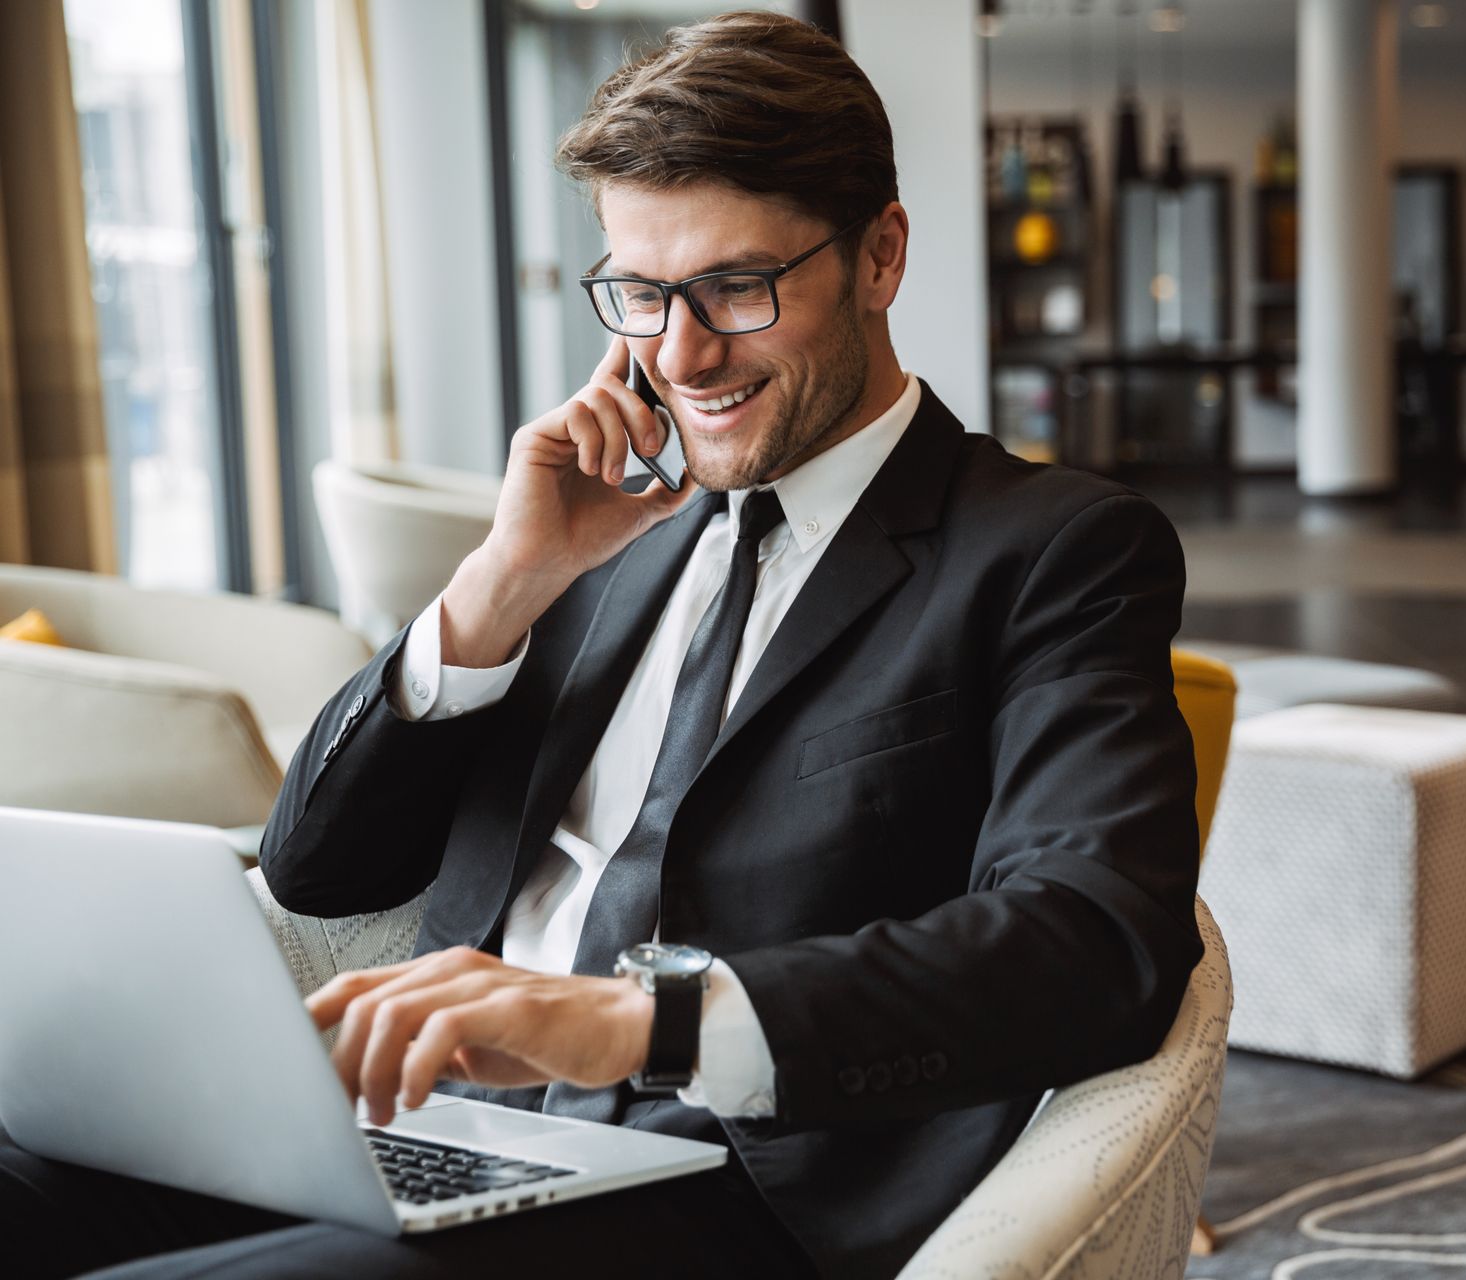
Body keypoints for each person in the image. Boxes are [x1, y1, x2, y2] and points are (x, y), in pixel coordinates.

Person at [0, 11, 1201, 1278]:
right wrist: (499, 582)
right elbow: (313, 868)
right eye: (641, 292)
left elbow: (1093, 935)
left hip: (727, 1190)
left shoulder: (1055, 550)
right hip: (432, 1126)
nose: (681, 355)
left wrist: (641, 1022)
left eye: (738, 288)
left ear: (880, 256)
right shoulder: (597, 534)